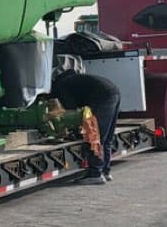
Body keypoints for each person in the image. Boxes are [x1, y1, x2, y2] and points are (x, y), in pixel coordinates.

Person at [50, 56, 122, 184]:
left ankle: (95, 174)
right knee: (106, 138)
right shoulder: (74, 79)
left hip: (103, 97)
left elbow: (73, 111)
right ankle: (105, 171)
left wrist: (74, 130)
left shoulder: (61, 87)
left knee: (94, 137)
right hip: (114, 92)